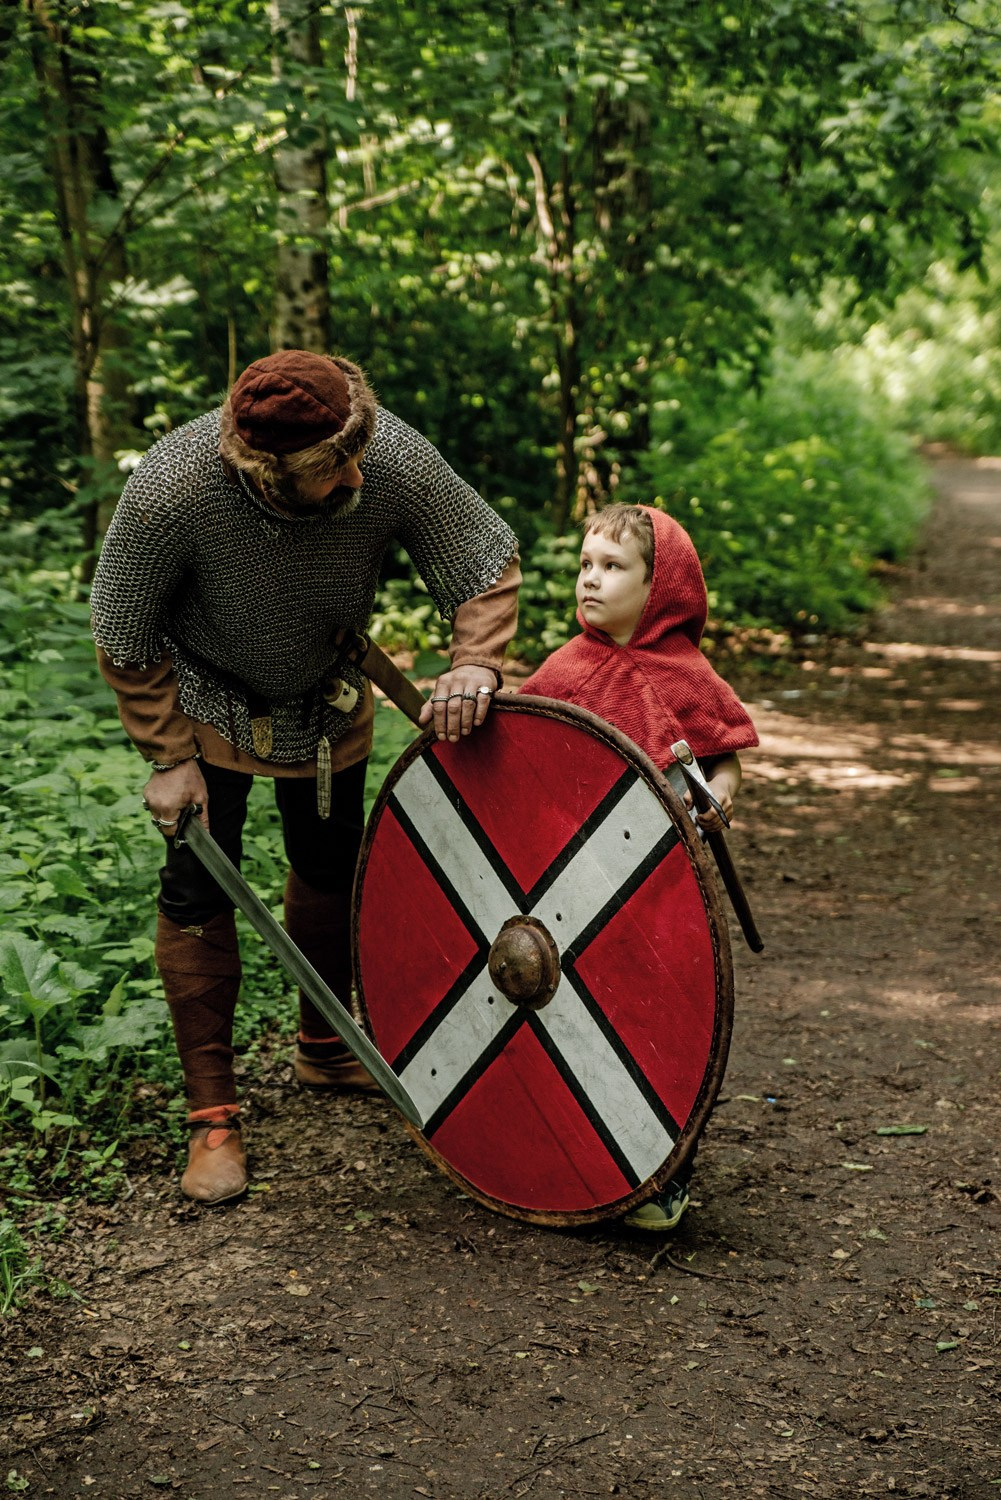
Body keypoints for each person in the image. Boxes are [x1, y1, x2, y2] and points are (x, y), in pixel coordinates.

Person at [91, 350, 521, 1205]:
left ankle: (324, 1049)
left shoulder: (378, 450)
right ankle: (211, 1117)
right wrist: (168, 756)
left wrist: (474, 664)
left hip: (327, 700)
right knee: (197, 894)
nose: (358, 473)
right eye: (334, 468)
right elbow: (122, 626)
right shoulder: (174, 487)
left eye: (358, 450)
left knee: (329, 864)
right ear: (271, 472)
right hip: (206, 703)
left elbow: (481, 561)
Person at [518, 502, 756, 1231]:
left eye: (612, 567)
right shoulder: (566, 668)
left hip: (660, 884)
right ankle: (570, 1150)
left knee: (655, 1016)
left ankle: (656, 1164)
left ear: (661, 587)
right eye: (585, 565)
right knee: (573, 1009)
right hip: (570, 885)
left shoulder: (686, 673)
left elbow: (723, 758)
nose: (590, 580)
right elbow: (522, 750)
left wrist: (717, 796)